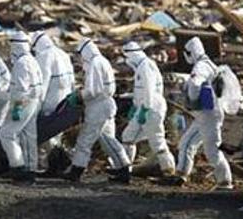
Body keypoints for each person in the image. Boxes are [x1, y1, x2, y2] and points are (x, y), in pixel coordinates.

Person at [63, 38, 132, 183]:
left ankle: (76, 170)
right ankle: (123, 169)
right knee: (108, 140)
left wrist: (78, 95)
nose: (80, 58)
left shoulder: (94, 63)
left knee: (85, 139)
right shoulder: (102, 61)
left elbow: (93, 90)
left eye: (80, 54)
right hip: (106, 105)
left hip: (98, 107)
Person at [175, 37, 233, 189]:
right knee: (187, 143)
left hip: (208, 115)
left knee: (212, 150)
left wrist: (192, 100)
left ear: (191, 53)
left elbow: (195, 85)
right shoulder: (210, 65)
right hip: (208, 114)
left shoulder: (200, 66)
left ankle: (225, 182)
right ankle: (181, 174)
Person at [120, 41, 176, 176]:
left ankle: (169, 170)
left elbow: (149, 91)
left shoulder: (145, 67)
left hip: (151, 109)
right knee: (128, 137)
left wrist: (144, 110)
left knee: (157, 140)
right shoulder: (141, 67)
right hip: (144, 108)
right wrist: (129, 98)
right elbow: (142, 91)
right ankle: (124, 169)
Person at [0, 32, 44, 183]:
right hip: (34, 101)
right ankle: (30, 171)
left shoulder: (21, 64)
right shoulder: (32, 60)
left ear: (15, 45)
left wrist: (14, 104)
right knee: (28, 136)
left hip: (24, 102)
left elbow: (20, 90)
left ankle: (17, 167)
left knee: (6, 134)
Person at [31, 31, 75, 173]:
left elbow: (42, 84)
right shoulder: (63, 54)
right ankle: (59, 163)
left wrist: (36, 105)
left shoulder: (44, 56)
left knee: (46, 135)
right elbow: (73, 80)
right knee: (57, 134)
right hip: (64, 100)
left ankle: (54, 165)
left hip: (50, 101)